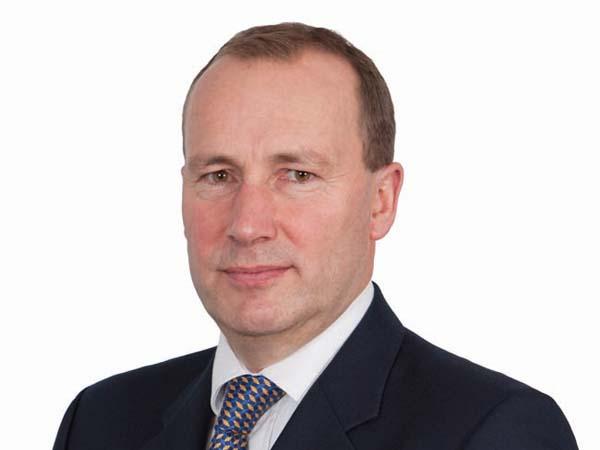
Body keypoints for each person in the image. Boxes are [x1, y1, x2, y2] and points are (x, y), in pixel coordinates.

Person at [53, 22, 579, 450]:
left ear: (381, 201)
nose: (248, 225)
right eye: (219, 175)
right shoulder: (100, 422)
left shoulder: (496, 432)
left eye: (297, 175)